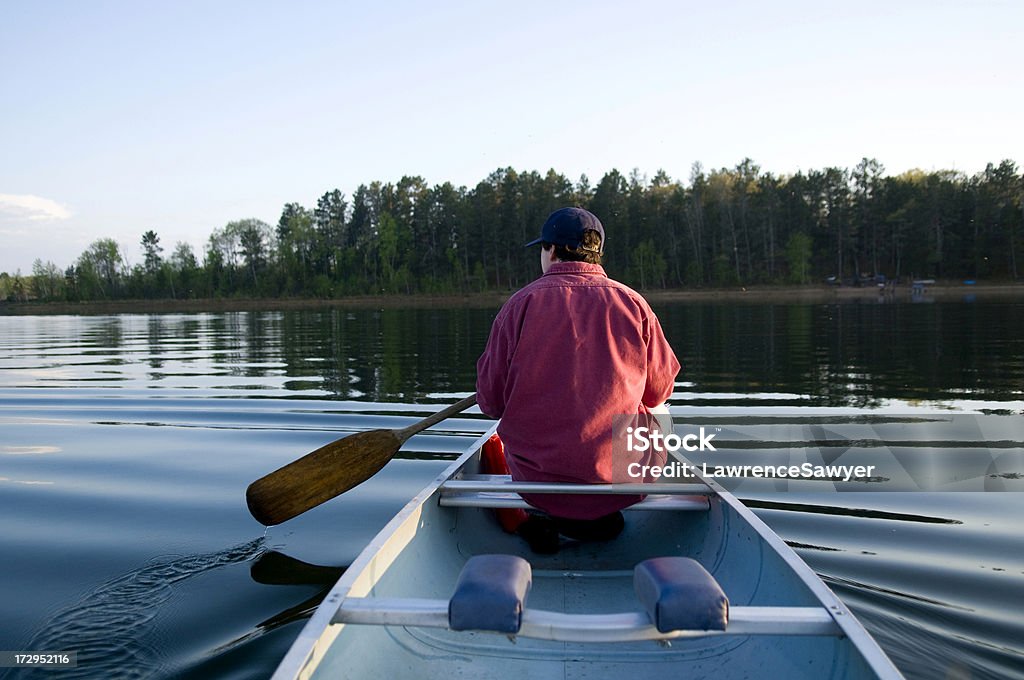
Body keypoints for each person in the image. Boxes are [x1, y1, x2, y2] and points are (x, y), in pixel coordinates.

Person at [476, 207, 680, 552]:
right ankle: (596, 511)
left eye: (542, 249)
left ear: (551, 251)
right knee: (661, 410)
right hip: (622, 483)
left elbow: (490, 403)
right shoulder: (634, 304)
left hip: (536, 485)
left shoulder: (519, 305)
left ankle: (549, 517)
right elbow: (659, 391)